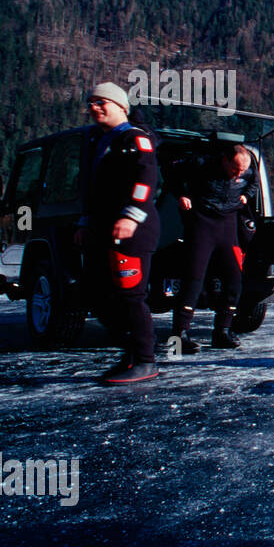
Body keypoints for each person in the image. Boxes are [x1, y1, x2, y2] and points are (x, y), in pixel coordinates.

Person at [74, 82, 161, 384]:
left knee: (130, 296)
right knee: (95, 294)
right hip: (102, 230)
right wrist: (85, 221)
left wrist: (131, 216)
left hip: (132, 231)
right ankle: (131, 351)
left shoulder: (135, 139)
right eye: (91, 103)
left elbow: (146, 180)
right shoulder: (98, 140)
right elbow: (92, 188)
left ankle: (145, 360)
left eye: (101, 102)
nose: (94, 108)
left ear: (121, 106)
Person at [170, 143, 258, 351]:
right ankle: (179, 334)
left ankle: (222, 331)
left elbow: (253, 184)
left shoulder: (248, 172)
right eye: (234, 170)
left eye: (242, 172)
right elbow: (171, 172)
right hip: (202, 222)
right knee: (194, 278)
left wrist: (246, 196)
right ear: (225, 160)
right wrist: (180, 195)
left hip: (228, 223)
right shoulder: (201, 164)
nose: (238, 175)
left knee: (234, 278)